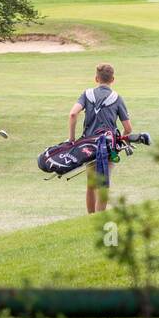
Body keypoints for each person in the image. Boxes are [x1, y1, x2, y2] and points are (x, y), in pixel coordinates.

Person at [68, 63, 132, 214]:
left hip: (88, 146)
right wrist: (119, 141)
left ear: (96, 78)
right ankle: (99, 218)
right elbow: (128, 128)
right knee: (103, 184)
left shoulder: (87, 94)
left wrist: (71, 139)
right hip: (108, 146)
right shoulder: (117, 98)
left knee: (91, 184)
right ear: (113, 79)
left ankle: (90, 218)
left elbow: (72, 114)